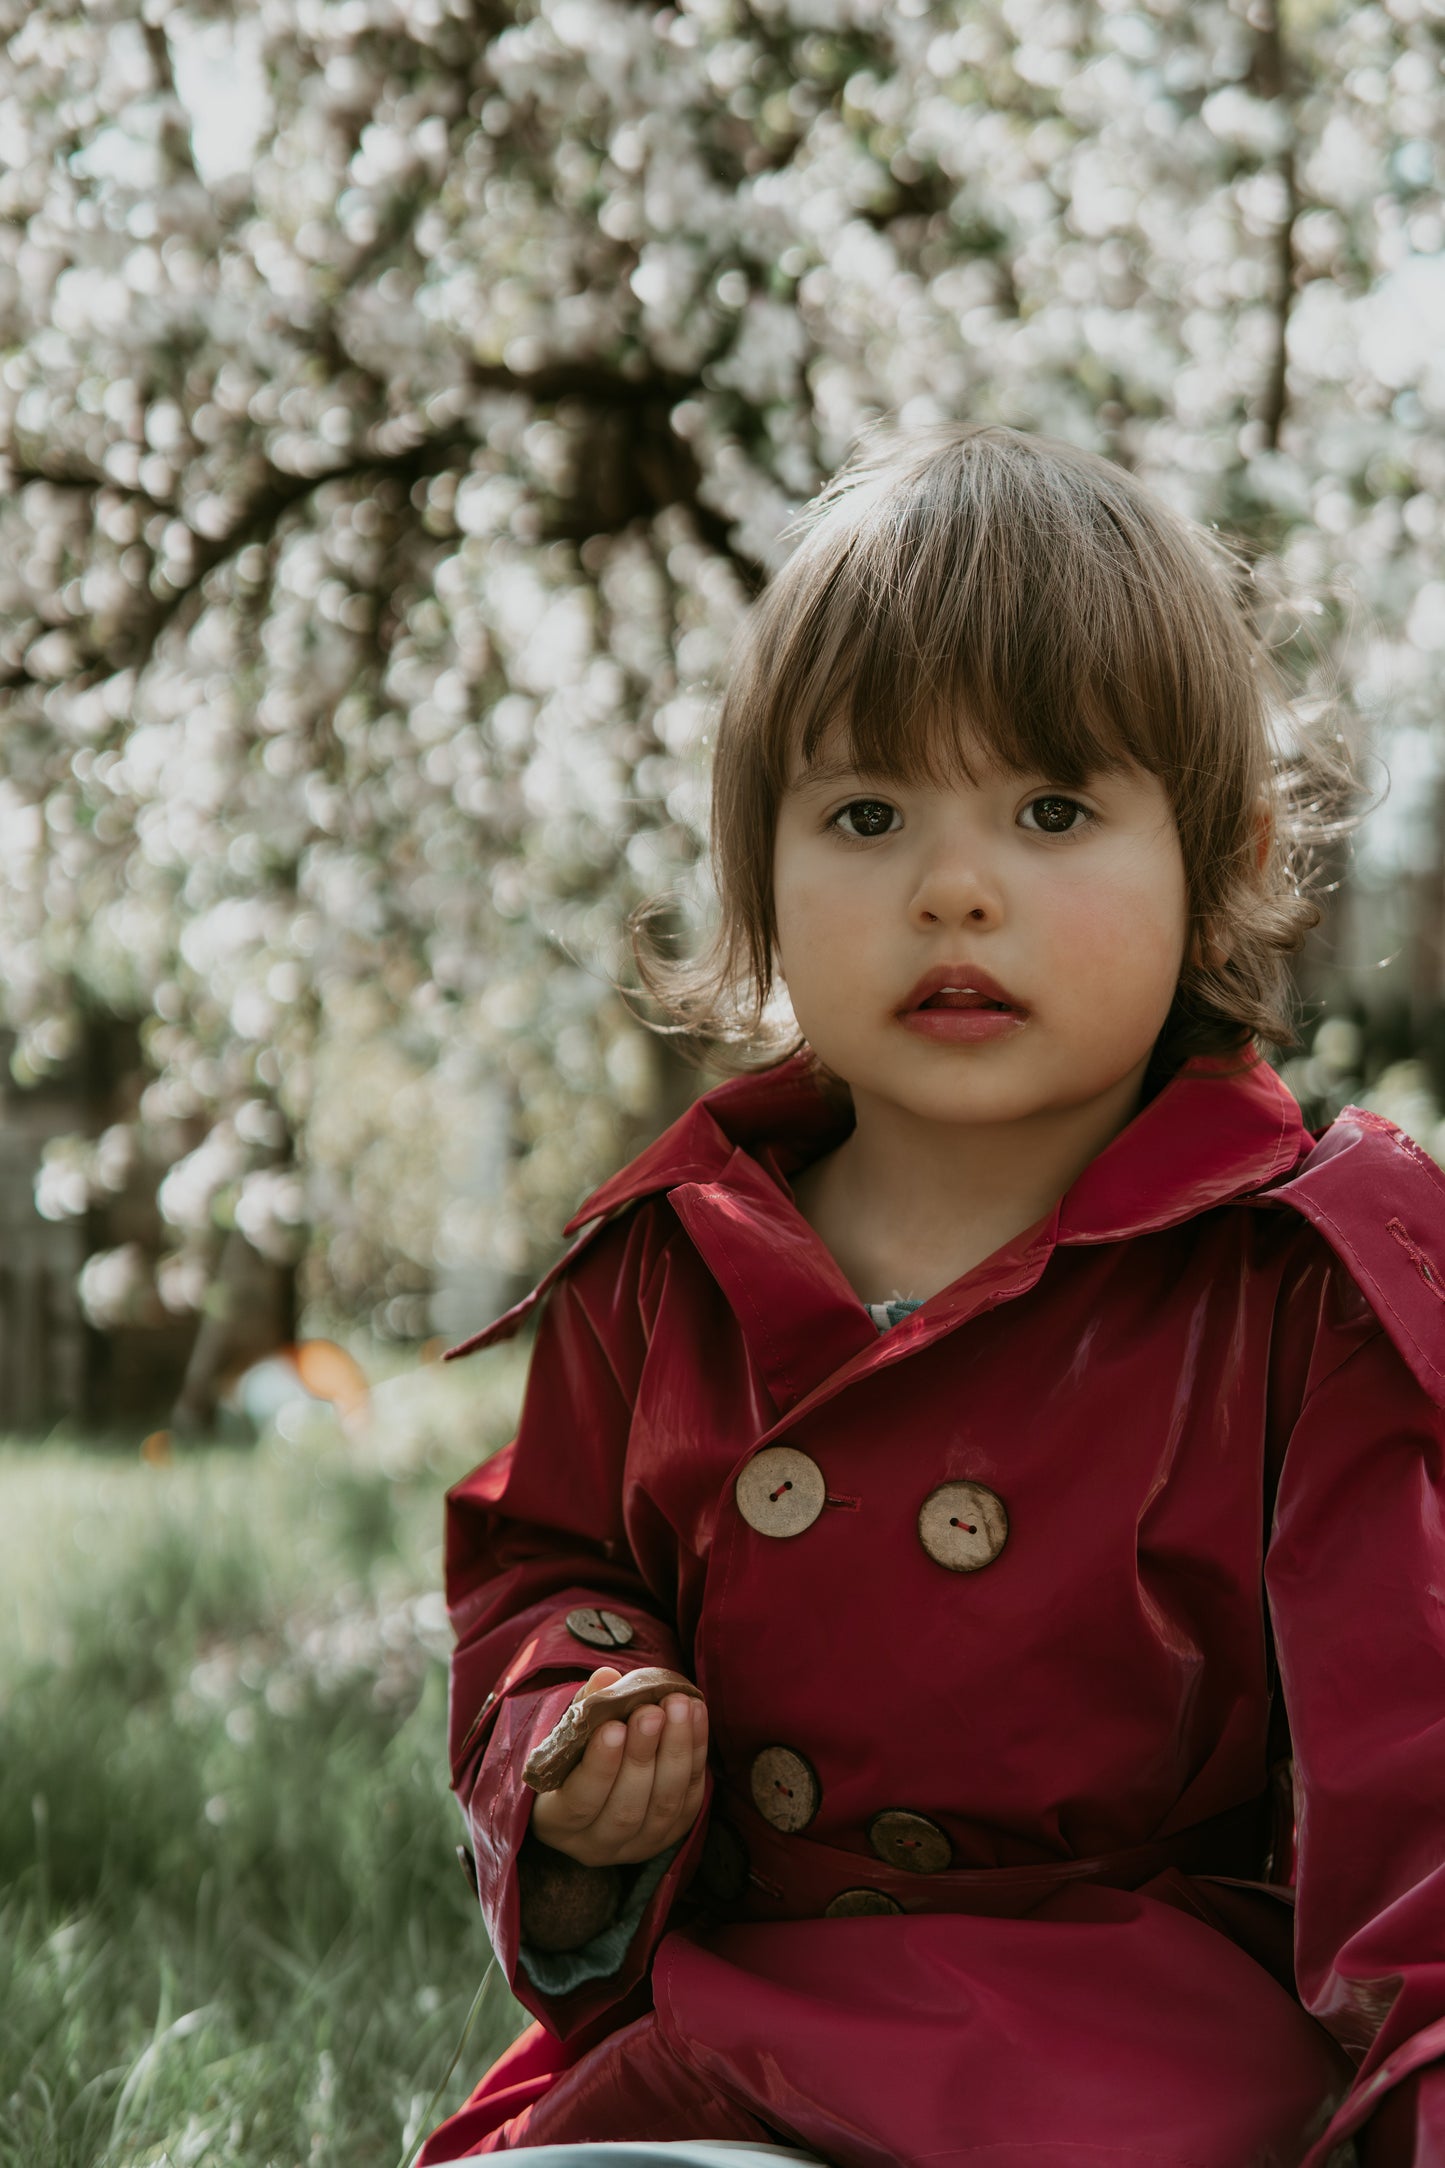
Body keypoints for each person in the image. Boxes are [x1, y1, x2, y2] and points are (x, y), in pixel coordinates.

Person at [417, 425, 1445, 2168]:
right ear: (757, 872)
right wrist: (576, 1750)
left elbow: (1420, 1802)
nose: (951, 886)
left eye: (1052, 811)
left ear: (1219, 851)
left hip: (1147, 2070)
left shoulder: (1299, 1279)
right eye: (866, 813)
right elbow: (553, 1572)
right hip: (731, 2038)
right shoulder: (666, 1267)